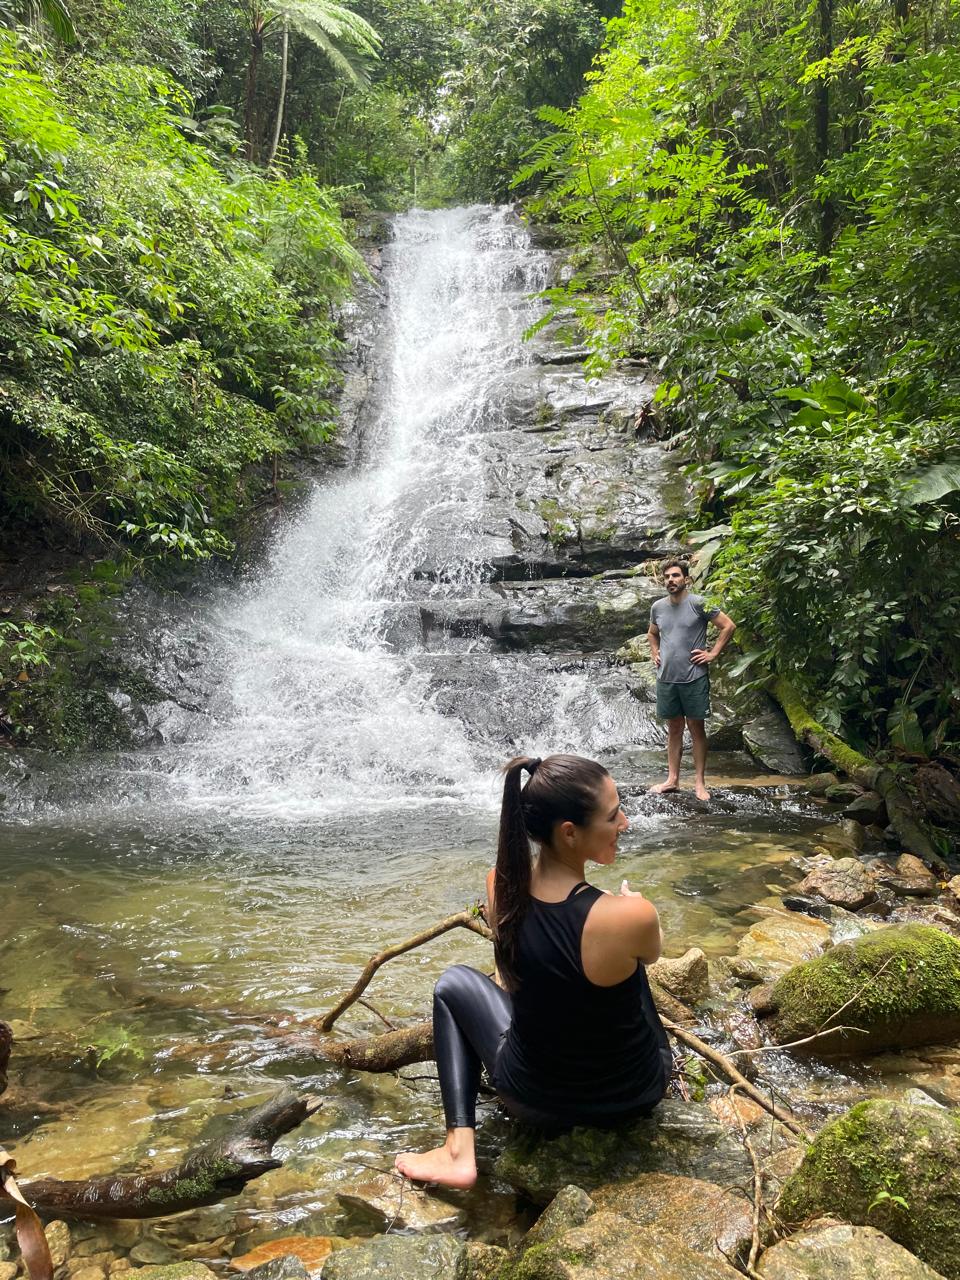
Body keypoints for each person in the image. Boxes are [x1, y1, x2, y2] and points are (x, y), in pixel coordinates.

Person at [394, 754, 670, 1190]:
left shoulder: (498, 886)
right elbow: (651, 957)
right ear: (569, 833)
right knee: (629, 971)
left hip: (532, 1099)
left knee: (452, 985)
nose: (627, 824)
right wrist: (628, 906)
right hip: (633, 1097)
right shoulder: (629, 915)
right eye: (614, 815)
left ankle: (458, 1151)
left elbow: (512, 975)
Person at [647, 559, 736, 803]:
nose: (670, 580)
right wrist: (655, 653)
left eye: (675, 576)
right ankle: (672, 779)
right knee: (674, 728)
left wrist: (713, 654)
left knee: (696, 729)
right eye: (667, 577)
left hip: (694, 677)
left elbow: (728, 626)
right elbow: (652, 634)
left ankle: (699, 783)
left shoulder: (699, 603)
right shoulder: (658, 607)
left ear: (686, 579)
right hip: (667, 678)